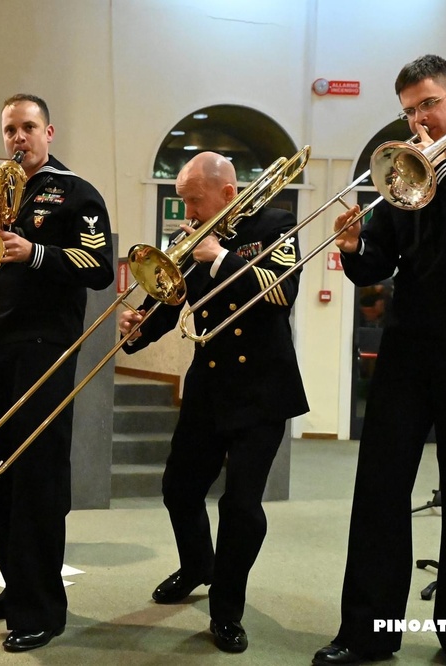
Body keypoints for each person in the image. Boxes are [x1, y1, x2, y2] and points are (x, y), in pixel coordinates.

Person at [312, 55, 446, 666]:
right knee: (379, 491)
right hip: (407, 351)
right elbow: (378, 264)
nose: (419, 120)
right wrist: (355, 249)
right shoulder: (400, 172)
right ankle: (367, 632)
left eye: (428, 105)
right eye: (409, 111)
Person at [119, 151, 308, 653]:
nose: (186, 214)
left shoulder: (276, 223)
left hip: (262, 390)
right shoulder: (189, 241)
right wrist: (138, 330)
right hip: (209, 384)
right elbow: (170, 297)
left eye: (194, 201)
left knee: (242, 506)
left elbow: (281, 291)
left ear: (226, 192)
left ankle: (227, 608)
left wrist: (221, 257)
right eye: (182, 202)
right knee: (179, 487)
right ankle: (197, 564)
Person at [0, 94, 114, 652]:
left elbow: (99, 268)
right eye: (9, 130)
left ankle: (43, 609)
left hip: (44, 349)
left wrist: (33, 253)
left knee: (36, 479)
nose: (17, 138)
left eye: (28, 127)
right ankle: (16, 586)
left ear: (49, 132)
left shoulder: (76, 192)